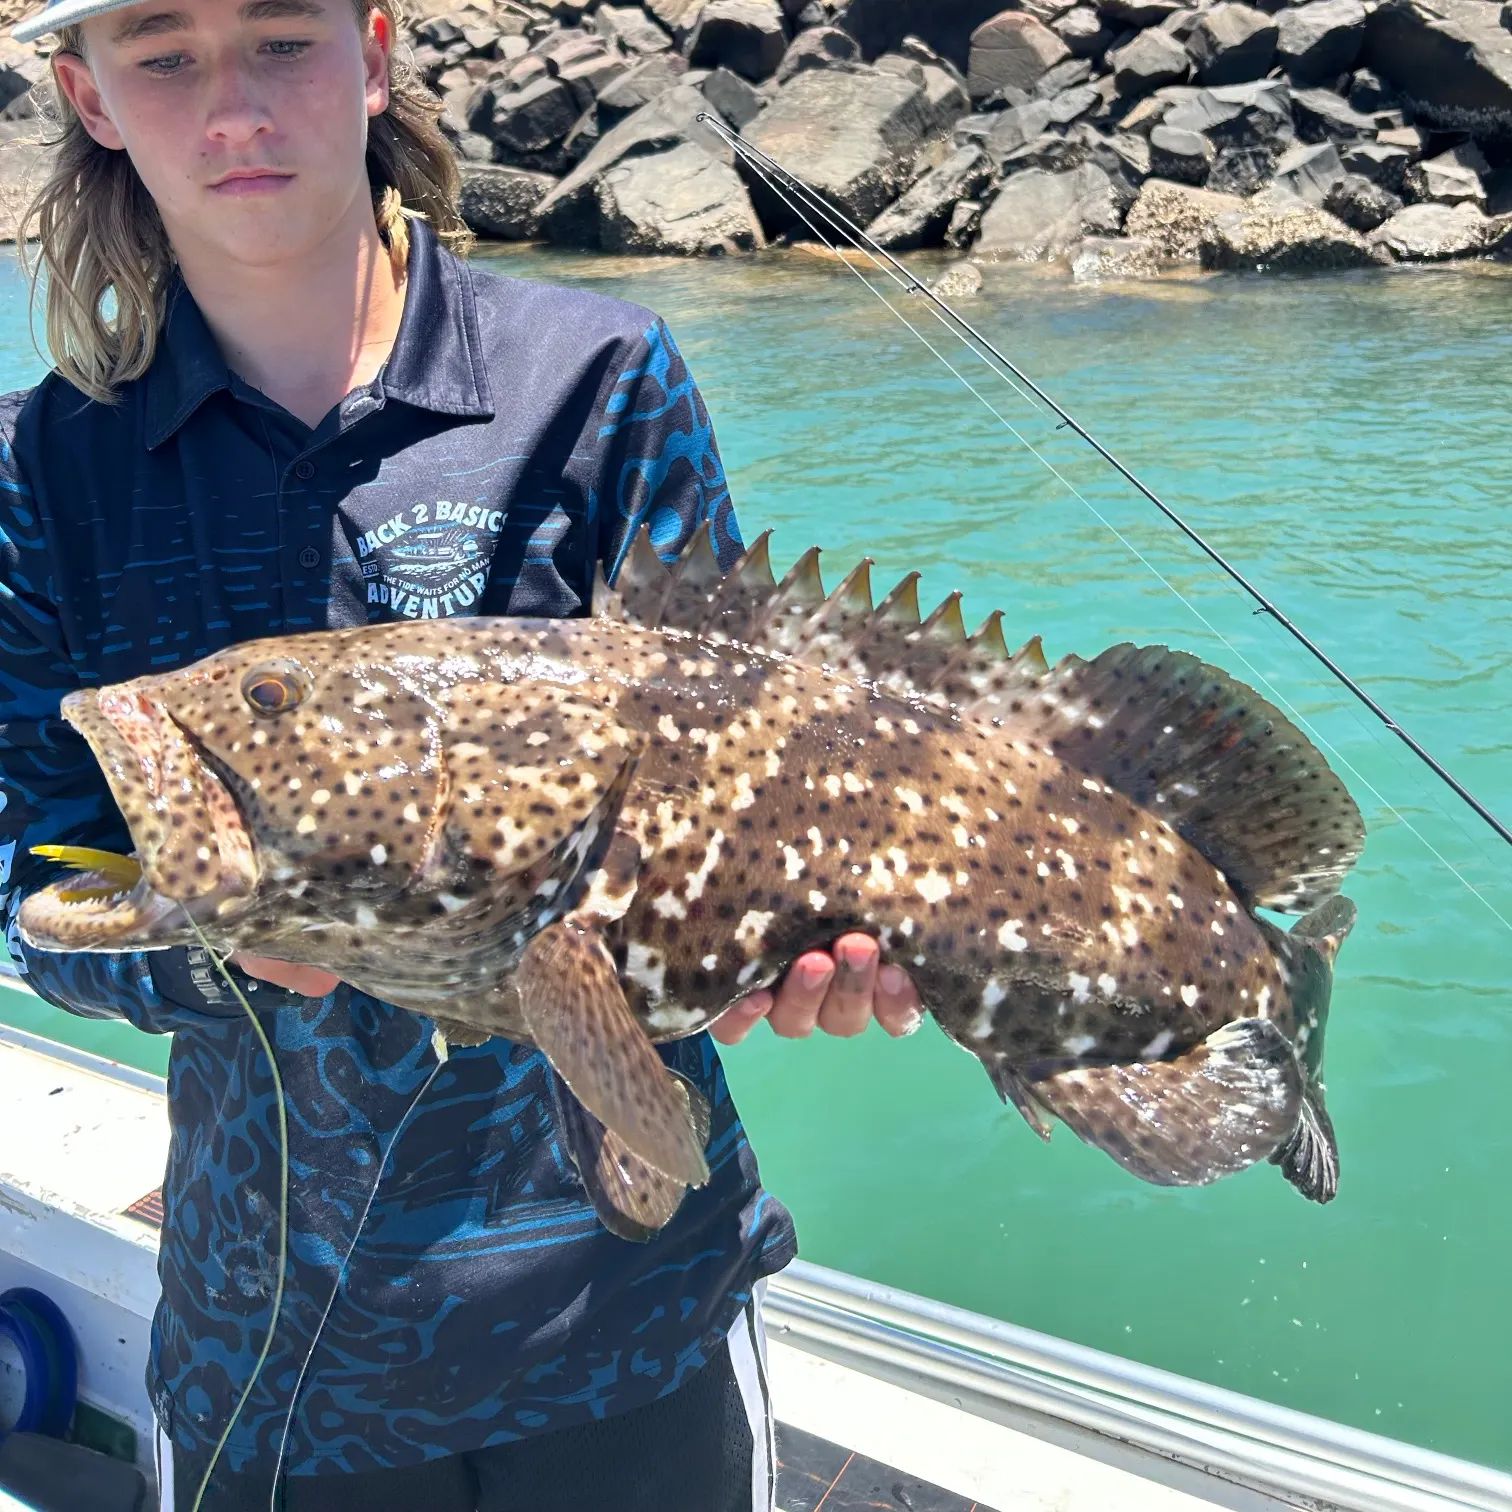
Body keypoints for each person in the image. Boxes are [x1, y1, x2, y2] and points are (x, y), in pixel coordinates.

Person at [0, 0, 921, 1506]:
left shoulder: (598, 376)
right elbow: (20, 871)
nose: (233, 108)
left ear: (370, 54)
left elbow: (756, 757)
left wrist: (795, 951)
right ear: (89, 97)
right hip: (274, 1356)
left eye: (281, 40)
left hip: (630, 1321)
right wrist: (205, 946)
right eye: (163, 53)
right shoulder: (39, 476)